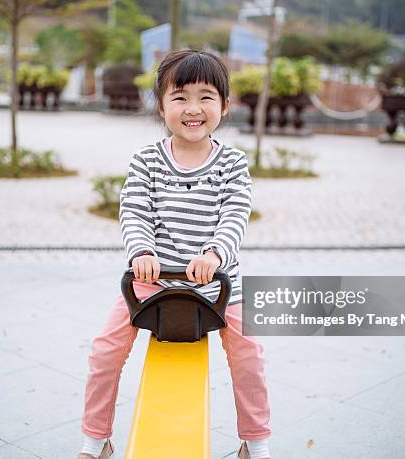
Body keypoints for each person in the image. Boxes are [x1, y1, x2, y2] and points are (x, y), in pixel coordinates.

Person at [78, 50, 271, 459]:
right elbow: (133, 210)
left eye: (206, 97)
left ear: (224, 106)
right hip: (151, 279)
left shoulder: (232, 164)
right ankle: (96, 438)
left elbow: (235, 214)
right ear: (161, 104)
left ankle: (255, 441)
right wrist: (141, 251)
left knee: (249, 352)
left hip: (218, 283)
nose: (193, 108)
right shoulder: (146, 160)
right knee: (105, 349)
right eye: (180, 97)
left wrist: (214, 255)